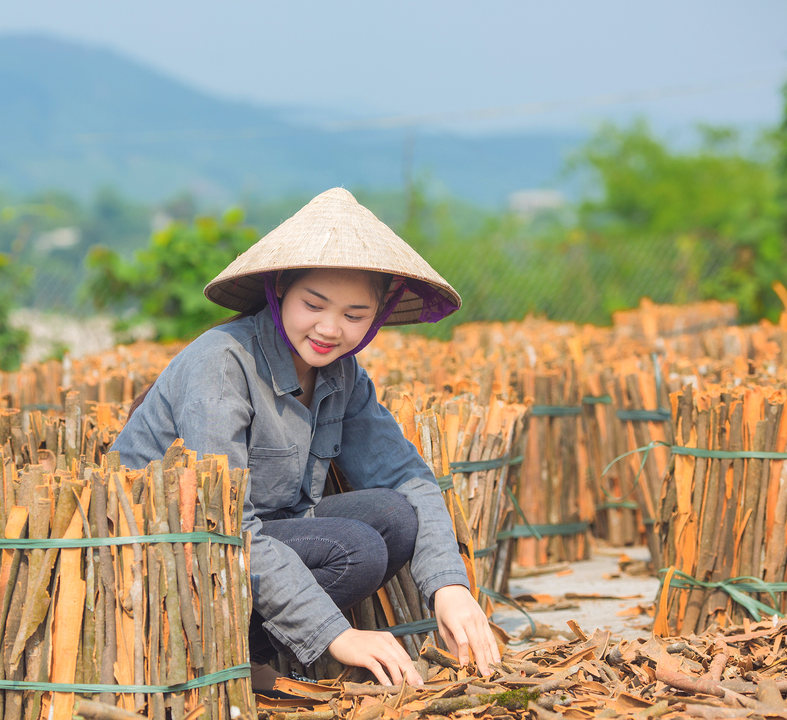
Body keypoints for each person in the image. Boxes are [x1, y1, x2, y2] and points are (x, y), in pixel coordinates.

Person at [111, 187, 501, 689]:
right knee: (356, 548)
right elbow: (225, 524)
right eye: (313, 304)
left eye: (354, 315)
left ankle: (262, 649)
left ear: (377, 317)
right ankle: (229, 655)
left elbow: (405, 475)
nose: (330, 328)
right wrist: (336, 634)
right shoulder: (222, 361)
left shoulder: (344, 375)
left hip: (264, 538)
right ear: (279, 291)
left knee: (395, 517)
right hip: (177, 555)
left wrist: (449, 585)